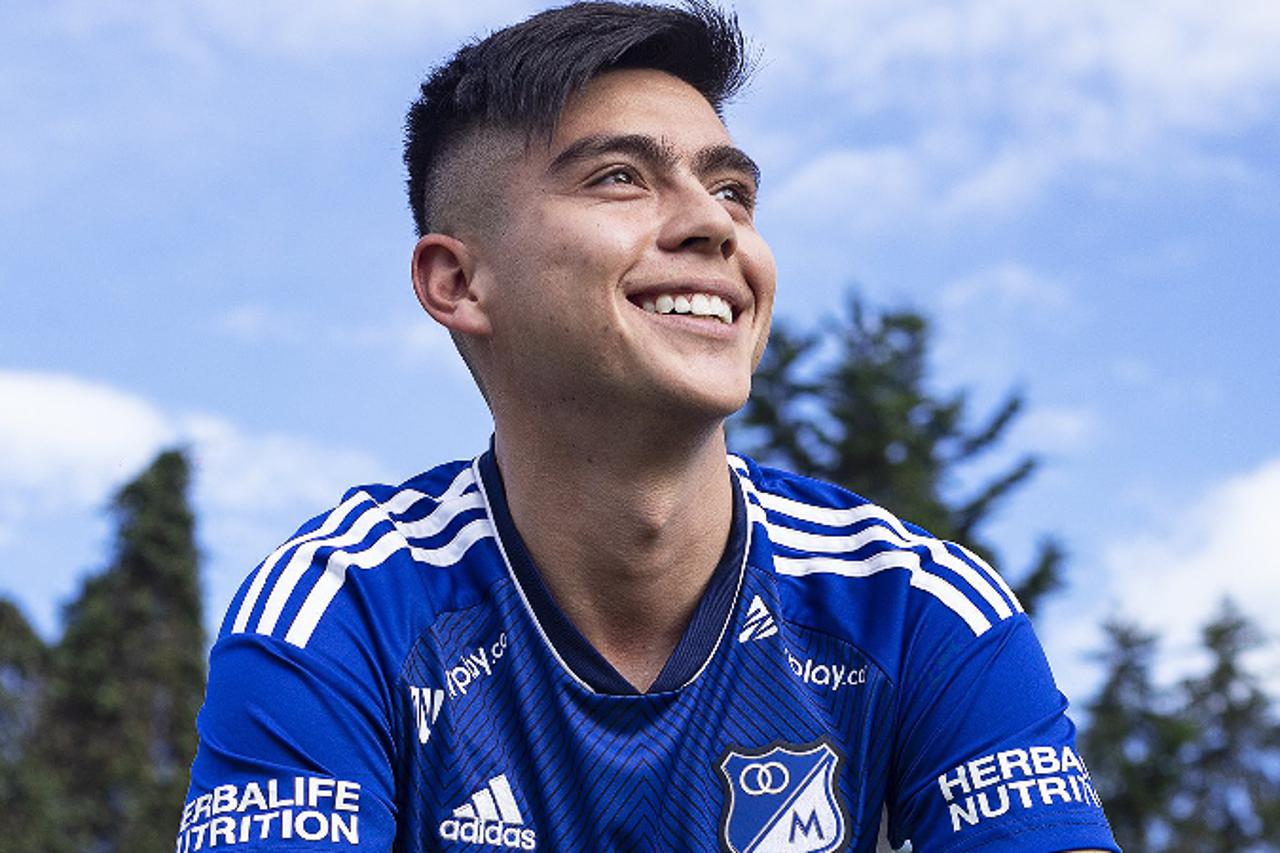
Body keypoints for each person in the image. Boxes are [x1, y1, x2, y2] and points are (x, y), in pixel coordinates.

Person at [179, 3, 1121, 851]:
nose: (714, 226)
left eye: (732, 191)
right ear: (458, 282)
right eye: (621, 178)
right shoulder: (339, 613)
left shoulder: (916, 609)